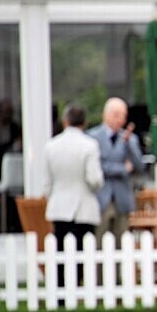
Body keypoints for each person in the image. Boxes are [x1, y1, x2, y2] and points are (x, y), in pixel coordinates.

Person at [43, 103, 103, 269]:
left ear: (65, 121)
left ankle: (61, 292)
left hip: (59, 207)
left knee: (61, 256)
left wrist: (51, 198)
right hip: (83, 208)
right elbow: (94, 179)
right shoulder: (90, 145)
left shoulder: (51, 146)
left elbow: (47, 183)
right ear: (84, 122)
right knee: (82, 258)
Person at [87, 97, 144, 240]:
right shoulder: (92, 137)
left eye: (123, 116)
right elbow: (97, 167)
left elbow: (139, 166)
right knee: (100, 241)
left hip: (122, 198)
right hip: (101, 198)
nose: (120, 119)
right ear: (105, 115)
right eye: (116, 115)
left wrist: (129, 145)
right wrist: (123, 169)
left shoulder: (130, 138)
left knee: (122, 242)